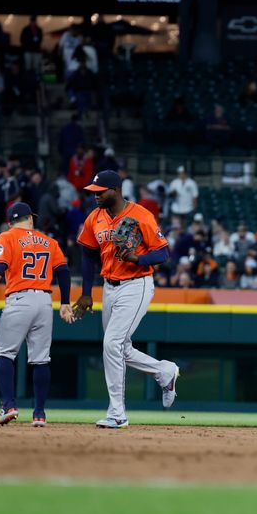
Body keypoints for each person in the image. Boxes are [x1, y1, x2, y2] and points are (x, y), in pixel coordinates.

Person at [75, 170, 180, 429]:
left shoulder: (141, 215)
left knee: (111, 343)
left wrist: (138, 259)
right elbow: (87, 256)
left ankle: (117, 413)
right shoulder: (94, 218)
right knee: (120, 348)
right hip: (109, 287)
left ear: (115, 191)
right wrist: (87, 292)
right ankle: (164, 372)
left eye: (100, 192)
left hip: (137, 284)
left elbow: (163, 253)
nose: (96, 196)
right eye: (93, 192)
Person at [0, 203, 75, 427]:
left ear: (10, 222)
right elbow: (63, 272)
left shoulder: (7, 237)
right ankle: (39, 414)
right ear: (30, 219)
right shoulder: (49, 241)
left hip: (19, 299)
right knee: (40, 359)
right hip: (45, 302)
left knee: (3, 353)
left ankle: (8, 406)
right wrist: (65, 302)